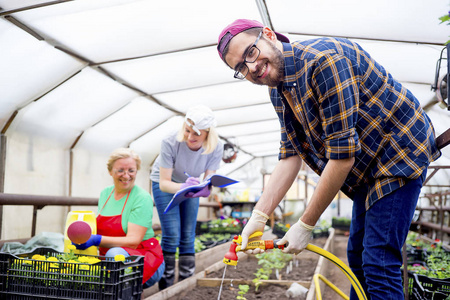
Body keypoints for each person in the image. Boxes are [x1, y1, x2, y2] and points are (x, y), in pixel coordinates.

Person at [217, 19, 441, 300]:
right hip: (368, 168)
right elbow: (289, 156)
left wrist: (306, 224)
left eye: (250, 53)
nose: (251, 68)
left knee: (379, 263)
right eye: (240, 67)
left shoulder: (323, 62)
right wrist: (258, 217)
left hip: (399, 151)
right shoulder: (278, 90)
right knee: (357, 258)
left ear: (269, 35)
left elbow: (343, 157)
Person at [150, 105, 224, 290]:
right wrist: (184, 187)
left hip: (190, 184)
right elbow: (165, 183)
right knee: (172, 234)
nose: (190, 137)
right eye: (187, 131)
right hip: (166, 185)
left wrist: (206, 189)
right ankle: (165, 288)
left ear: (207, 134)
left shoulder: (216, 147)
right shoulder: (170, 141)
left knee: (188, 234)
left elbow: (209, 179)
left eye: (196, 134)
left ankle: (185, 286)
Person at [73, 148, 164, 289]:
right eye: (120, 170)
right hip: (110, 261)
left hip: (144, 260)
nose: (126, 176)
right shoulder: (106, 194)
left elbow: (133, 242)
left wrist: (96, 240)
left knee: (115, 255)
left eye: (131, 170)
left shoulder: (141, 198)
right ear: (110, 171)